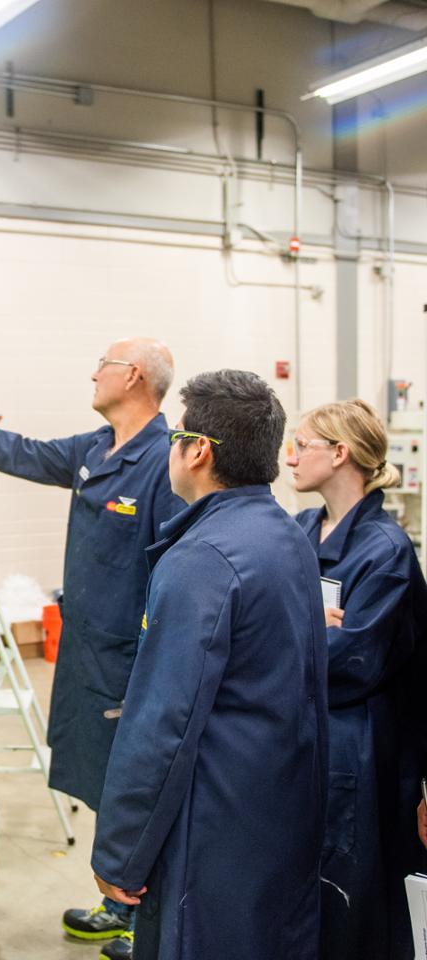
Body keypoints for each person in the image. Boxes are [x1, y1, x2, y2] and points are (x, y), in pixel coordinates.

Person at [0, 338, 183, 956]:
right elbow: (24, 454)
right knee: (104, 787)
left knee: (139, 792)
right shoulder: (94, 448)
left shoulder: (164, 462)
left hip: (129, 663)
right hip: (85, 655)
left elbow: (173, 570)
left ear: (132, 376)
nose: (92, 373)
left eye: (102, 364)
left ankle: (150, 924)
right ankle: (119, 904)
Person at [91, 370, 328, 960]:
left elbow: (162, 723)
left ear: (197, 451)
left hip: (213, 819)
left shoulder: (202, 559)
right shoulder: (286, 533)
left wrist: (120, 851)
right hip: (279, 807)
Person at [286, 399, 427, 960]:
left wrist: (295, 630)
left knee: (356, 895)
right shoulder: (300, 528)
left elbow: (351, 662)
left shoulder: (384, 552)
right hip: (309, 734)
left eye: (303, 444)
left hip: (363, 749)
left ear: (340, 453)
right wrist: (306, 623)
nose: (290, 458)